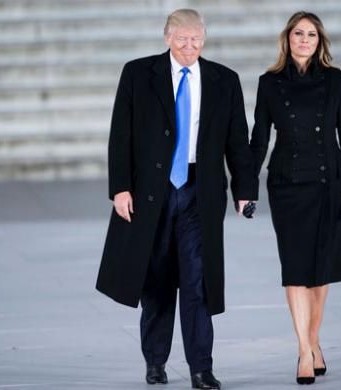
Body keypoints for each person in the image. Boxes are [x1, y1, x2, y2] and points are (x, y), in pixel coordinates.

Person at [96, 9, 257, 390]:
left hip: (201, 190)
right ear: (167, 38)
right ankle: (155, 362)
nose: (190, 47)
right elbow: (121, 134)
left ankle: (201, 368)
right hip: (152, 191)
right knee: (156, 280)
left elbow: (237, 140)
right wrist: (120, 188)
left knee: (198, 281)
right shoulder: (138, 74)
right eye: (182, 39)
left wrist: (244, 190)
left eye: (196, 39)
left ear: (204, 38)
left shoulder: (224, 80)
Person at [249, 11, 341, 385]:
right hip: (287, 186)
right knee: (295, 270)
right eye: (298, 33)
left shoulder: (335, 81)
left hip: (328, 183)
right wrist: (245, 188)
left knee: (321, 272)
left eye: (311, 35)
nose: (304, 40)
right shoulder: (268, 84)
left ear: (319, 42)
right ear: (287, 38)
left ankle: (314, 341)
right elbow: (259, 140)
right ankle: (304, 350)